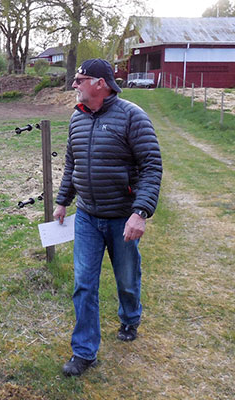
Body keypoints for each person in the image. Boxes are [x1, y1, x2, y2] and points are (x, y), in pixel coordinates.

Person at [53, 58, 162, 377]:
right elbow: (71, 164)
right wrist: (63, 202)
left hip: (121, 217)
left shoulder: (133, 117)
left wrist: (139, 212)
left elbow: (152, 167)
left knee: (127, 279)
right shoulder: (77, 118)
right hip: (87, 216)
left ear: (101, 83)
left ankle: (130, 318)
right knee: (83, 284)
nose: (74, 85)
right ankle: (84, 351)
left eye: (80, 79)